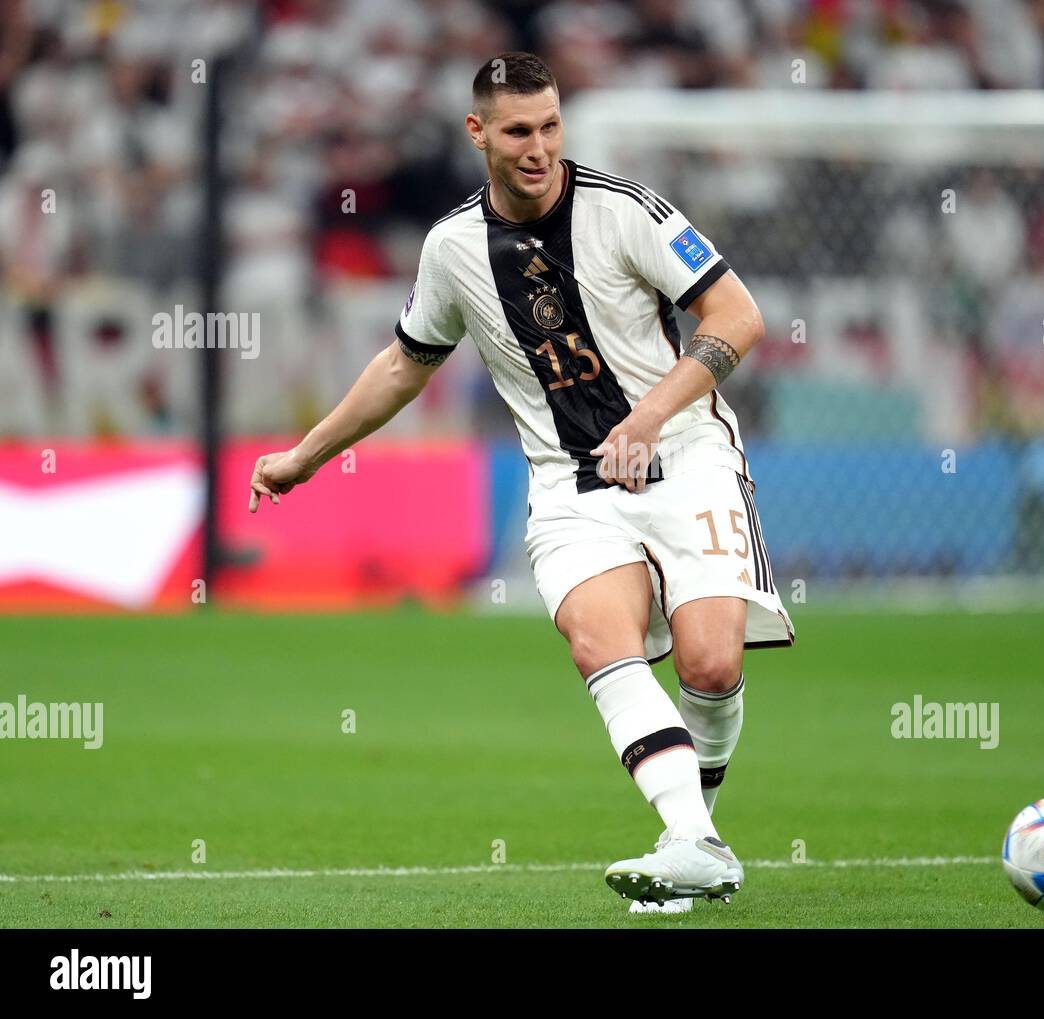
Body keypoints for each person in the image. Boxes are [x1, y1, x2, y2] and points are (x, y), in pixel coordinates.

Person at [248, 51, 794, 912]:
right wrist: (305, 455)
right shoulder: (453, 248)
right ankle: (692, 840)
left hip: (686, 456)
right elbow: (404, 362)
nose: (538, 147)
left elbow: (740, 316)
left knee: (712, 663)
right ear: (478, 134)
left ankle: (695, 834)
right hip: (569, 486)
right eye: (516, 131)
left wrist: (647, 416)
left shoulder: (629, 212)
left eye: (549, 126)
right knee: (598, 641)